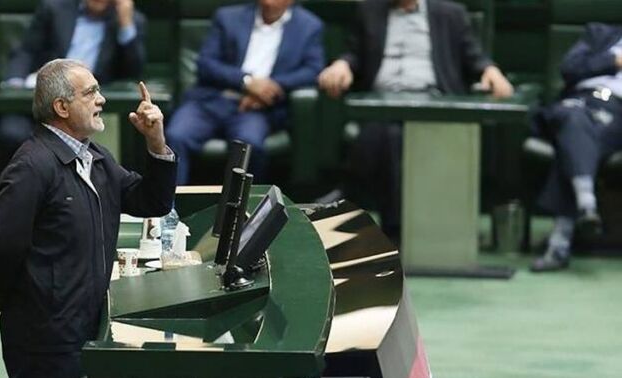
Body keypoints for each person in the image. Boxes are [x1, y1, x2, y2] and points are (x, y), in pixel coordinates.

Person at [0, 59, 176, 378]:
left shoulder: (96, 158)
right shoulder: (31, 166)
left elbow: (152, 201)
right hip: (46, 340)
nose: (102, 99)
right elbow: (1, 250)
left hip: (89, 327)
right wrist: (33, 306)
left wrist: (156, 141)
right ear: (61, 106)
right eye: (90, 93)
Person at [316, 0, 513, 241]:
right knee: (389, 134)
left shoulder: (450, 14)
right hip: (382, 101)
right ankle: (392, 229)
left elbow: (475, 56)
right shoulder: (369, 10)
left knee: (386, 135)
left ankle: (349, 195)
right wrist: (342, 64)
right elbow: (354, 52)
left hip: (431, 104)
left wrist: (490, 70)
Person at [165, 0, 325, 184]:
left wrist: (270, 87)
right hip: (212, 100)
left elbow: (313, 70)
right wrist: (246, 82)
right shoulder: (228, 17)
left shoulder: (309, 25)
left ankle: (239, 203)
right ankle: (170, 201)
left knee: (249, 144)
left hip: (256, 109)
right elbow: (206, 64)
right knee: (176, 135)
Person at [529, 23, 622, 272]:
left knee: (572, 143)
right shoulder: (601, 35)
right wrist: (613, 60)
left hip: (617, 114)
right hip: (578, 102)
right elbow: (569, 68)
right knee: (574, 121)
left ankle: (562, 241)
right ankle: (585, 205)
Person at [0, 0, 146, 152]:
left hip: (86, 103)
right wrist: (15, 86)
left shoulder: (130, 21)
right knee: (12, 131)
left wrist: (125, 25)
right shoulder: (54, 8)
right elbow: (27, 51)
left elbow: (133, 71)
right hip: (41, 90)